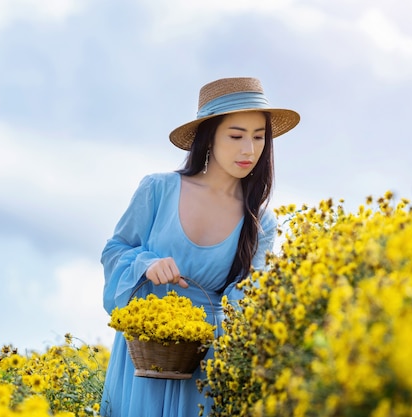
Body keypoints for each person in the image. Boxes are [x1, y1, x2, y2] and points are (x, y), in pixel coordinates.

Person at [99, 77, 300, 417]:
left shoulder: (260, 222)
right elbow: (115, 250)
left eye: (259, 137)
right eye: (236, 136)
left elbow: (247, 301)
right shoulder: (158, 189)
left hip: (205, 362)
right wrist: (146, 263)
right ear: (209, 137)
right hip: (143, 353)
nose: (249, 150)